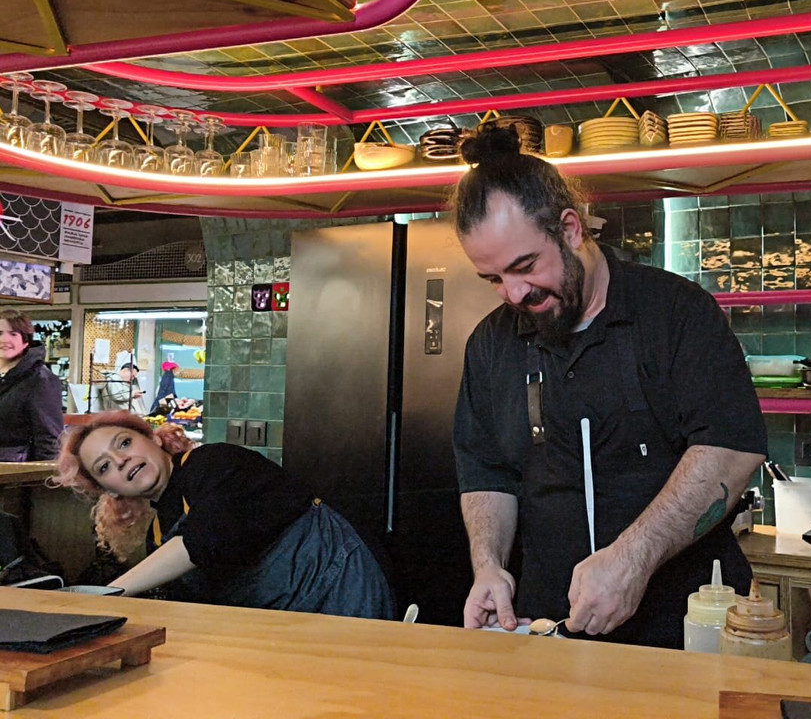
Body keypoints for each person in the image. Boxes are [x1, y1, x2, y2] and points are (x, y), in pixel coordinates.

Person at [449, 123, 768, 649]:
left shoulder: (676, 313)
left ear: (570, 229)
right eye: (494, 279)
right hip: (546, 630)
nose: (514, 293)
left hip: (688, 627)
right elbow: (487, 473)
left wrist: (633, 559)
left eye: (525, 267)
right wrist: (488, 566)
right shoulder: (490, 345)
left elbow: (730, 449)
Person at [51, 411, 396, 620]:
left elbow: (203, 539)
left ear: (154, 438)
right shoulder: (158, 534)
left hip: (343, 597)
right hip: (282, 626)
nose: (121, 460)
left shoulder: (214, 463)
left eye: (124, 443)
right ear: (109, 491)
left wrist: (103, 596)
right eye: (104, 466)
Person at [0, 308, 63, 462]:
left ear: (25, 341)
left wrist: (45, 473)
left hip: (15, 470)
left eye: (13, 334)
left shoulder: (41, 379)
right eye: (0, 333)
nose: (4, 339)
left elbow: (49, 440)